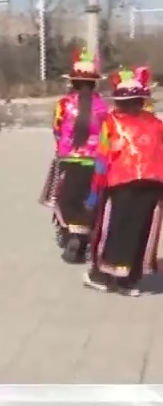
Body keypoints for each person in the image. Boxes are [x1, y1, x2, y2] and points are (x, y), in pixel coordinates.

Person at [83, 66, 163, 295]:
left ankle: (104, 276)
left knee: (115, 229)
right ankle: (129, 281)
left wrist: (95, 192)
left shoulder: (111, 123)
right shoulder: (156, 123)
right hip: (153, 183)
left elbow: (102, 158)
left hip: (122, 183)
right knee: (140, 229)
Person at [47, 48, 108, 263]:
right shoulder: (103, 107)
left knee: (66, 198)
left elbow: (56, 129)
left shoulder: (63, 105)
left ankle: (72, 235)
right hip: (95, 161)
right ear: (95, 84)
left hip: (69, 159)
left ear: (72, 82)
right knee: (90, 200)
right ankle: (85, 238)